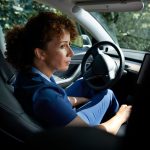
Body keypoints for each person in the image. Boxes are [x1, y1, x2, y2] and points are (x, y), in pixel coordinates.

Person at [5, 11, 132, 135]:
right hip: (70, 135)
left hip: (53, 115)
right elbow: (88, 137)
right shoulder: (47, 97)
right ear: (40, 53)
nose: (71, 53)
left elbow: (56, 100)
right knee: (107, 94)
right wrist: (122, 116)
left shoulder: (29, 75)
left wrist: (82, 100)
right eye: (62, 46)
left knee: (84, 83)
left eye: (69, 45)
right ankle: (118, 127)